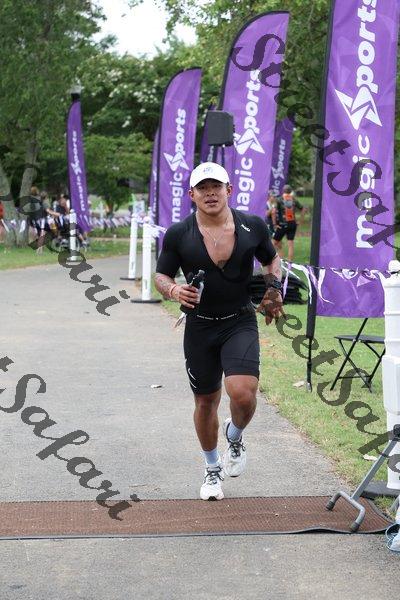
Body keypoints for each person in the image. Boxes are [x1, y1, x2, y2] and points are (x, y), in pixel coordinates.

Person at [155, 162, 284, 501]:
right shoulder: (179, 234)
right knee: (205, 401)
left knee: (243, 393)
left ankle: (235, 436)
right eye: (203, 188)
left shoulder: (252, 226)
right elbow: (161, 275)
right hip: (200, 326)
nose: (210, 193)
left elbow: (272, 259)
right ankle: (212, 468)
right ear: (191, 194)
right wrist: (174, 290)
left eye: (216, 187)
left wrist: (273, 289)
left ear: (229, 190)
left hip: (239, 320)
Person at [272, 184, 306, 262]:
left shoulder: (279, 199)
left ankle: (273, 260)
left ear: (283, 191)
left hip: (282, 224)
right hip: (292, 224)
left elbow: (273, 212)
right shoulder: (294, 199)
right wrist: (300, 220)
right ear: (290, 191)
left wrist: (274, 224)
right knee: (290, 244)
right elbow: (303, 209)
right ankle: (289, 263)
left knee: (274, 243)